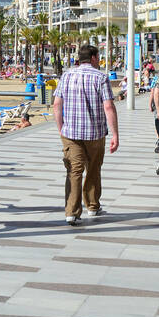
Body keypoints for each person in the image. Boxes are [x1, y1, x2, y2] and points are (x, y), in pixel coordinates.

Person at [53, 42, 119, 225]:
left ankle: (71, 212)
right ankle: (92, 205)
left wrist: (61, 129)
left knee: (74, 170)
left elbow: (57, 105)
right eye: (98, 57)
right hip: (95, 133)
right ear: (93, 58)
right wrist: (115, 134)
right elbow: (108, 106)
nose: (99, 60)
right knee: (94, 168)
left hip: (70, 133)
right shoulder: (100, 77)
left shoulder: (66, 76)